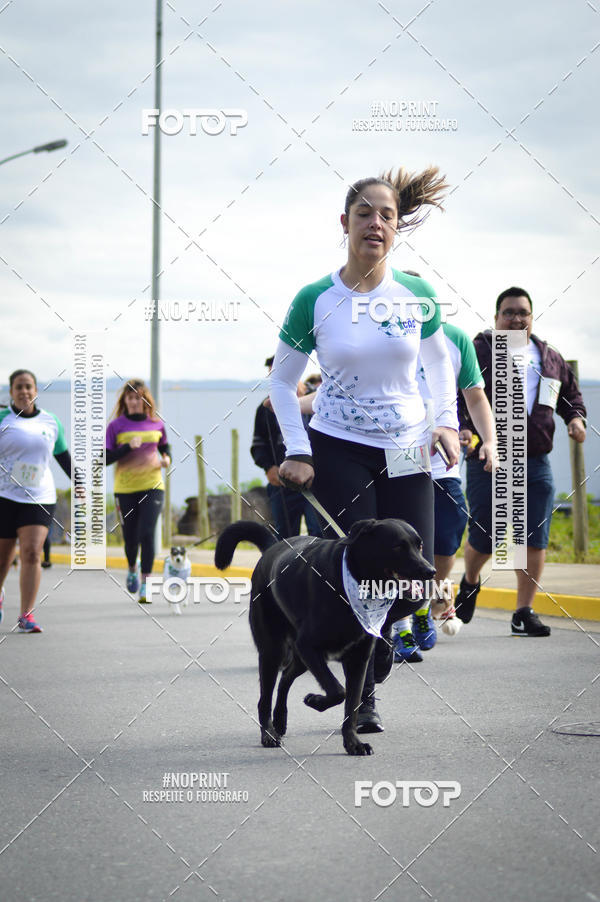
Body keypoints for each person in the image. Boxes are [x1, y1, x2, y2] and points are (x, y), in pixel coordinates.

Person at [269, 166, 460, 732]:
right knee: (354, 572)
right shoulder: (316, 299)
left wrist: (445, 423)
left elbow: (439, 365)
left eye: (387, 215)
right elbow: (282, 382)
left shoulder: (416, 294)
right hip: (339, 445)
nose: (375, 223)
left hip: (404, 445)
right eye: (364, 214)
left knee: (413, 579)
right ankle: (364, 698)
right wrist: (297, 449)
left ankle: (374, 657)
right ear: (345, 223)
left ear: (397, 228)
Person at [456, 287, 587, 635]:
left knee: (534, 536)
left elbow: (569, 395)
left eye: (523, 313)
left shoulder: (549, 357)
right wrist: (465, 430)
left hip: (537, 460)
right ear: (496, 317)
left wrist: (575, 419)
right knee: (488, 533)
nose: (516, 319)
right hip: (491, 457)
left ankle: (522, 611)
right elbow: (460, 395)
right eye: (509, 312)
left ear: (532, 317)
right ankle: (469, 581)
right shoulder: (479, 350)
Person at [392, 319, 498, 661]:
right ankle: (402, 626)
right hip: (398, 457)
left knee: (448, 533)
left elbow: (474, 395)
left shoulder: (454, 338)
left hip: (443, 459)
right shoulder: (379, 331)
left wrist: (490, 440)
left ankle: (425, 601)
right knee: (403, 542)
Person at [0, 369, 71, 632]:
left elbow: (63, 455)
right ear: (11, 392)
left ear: (36, 391)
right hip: (5, 496)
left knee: (32, 553)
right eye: (19, 387)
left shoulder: (51, 422)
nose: (24, 391)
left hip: (39, 496)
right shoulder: (2, 419)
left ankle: (26, 615)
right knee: (3, 558)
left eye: (29, 386)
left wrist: (80, 483)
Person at [105, 379, 171, 603]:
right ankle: (133, 566)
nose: (134, 402)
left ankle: (146, 584)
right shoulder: (116, 426)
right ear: (125, 401)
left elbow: (164, 447)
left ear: (145, 400)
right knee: (131, 538)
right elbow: (103, 458)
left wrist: (166, 459)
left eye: (138, 397)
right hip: (125, 489)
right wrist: (126, 448)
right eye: (130, 398)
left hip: (153, 486)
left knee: (147, 533)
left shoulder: (156, 424)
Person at [251, 356, 322, 538]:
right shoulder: (266, 407)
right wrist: (268, 467)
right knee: (285, 537)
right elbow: (258, 445)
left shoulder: (320, 399)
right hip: (283, 481)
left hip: (318, 480)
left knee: (319, 533)